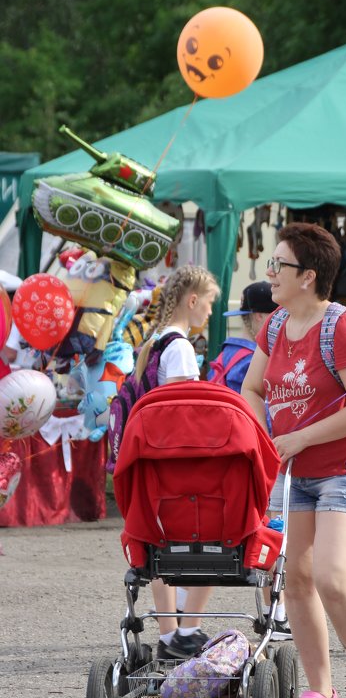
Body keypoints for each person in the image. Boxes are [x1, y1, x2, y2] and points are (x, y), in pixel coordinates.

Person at [242, 222, 346, 698]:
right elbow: (252, 389)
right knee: (296, 579)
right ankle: (321, 690)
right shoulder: (275, 324)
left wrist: (300, 437)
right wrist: (262, 438)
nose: (269, 276)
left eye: (277, 265)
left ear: (307, 275)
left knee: (330, 576)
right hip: (292, 471)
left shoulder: (342, 327)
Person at [135, 265, 221, 660]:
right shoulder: (182, 348)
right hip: (179, 461)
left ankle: (170, 635)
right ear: (191, 299)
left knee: (159, 547)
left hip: (152, 460)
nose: (209, 312)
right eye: (207, 303)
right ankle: (189, 630)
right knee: (219, 535)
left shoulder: (153, 343)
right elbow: (183, 412)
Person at [209, 280, 292, 640]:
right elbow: (266, 417)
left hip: (223, 463)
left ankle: (186, 619)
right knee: (273, 535)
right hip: (260, 460)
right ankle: (278, 616)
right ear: (262, 317)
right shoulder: (257, 364)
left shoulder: (225, 357)